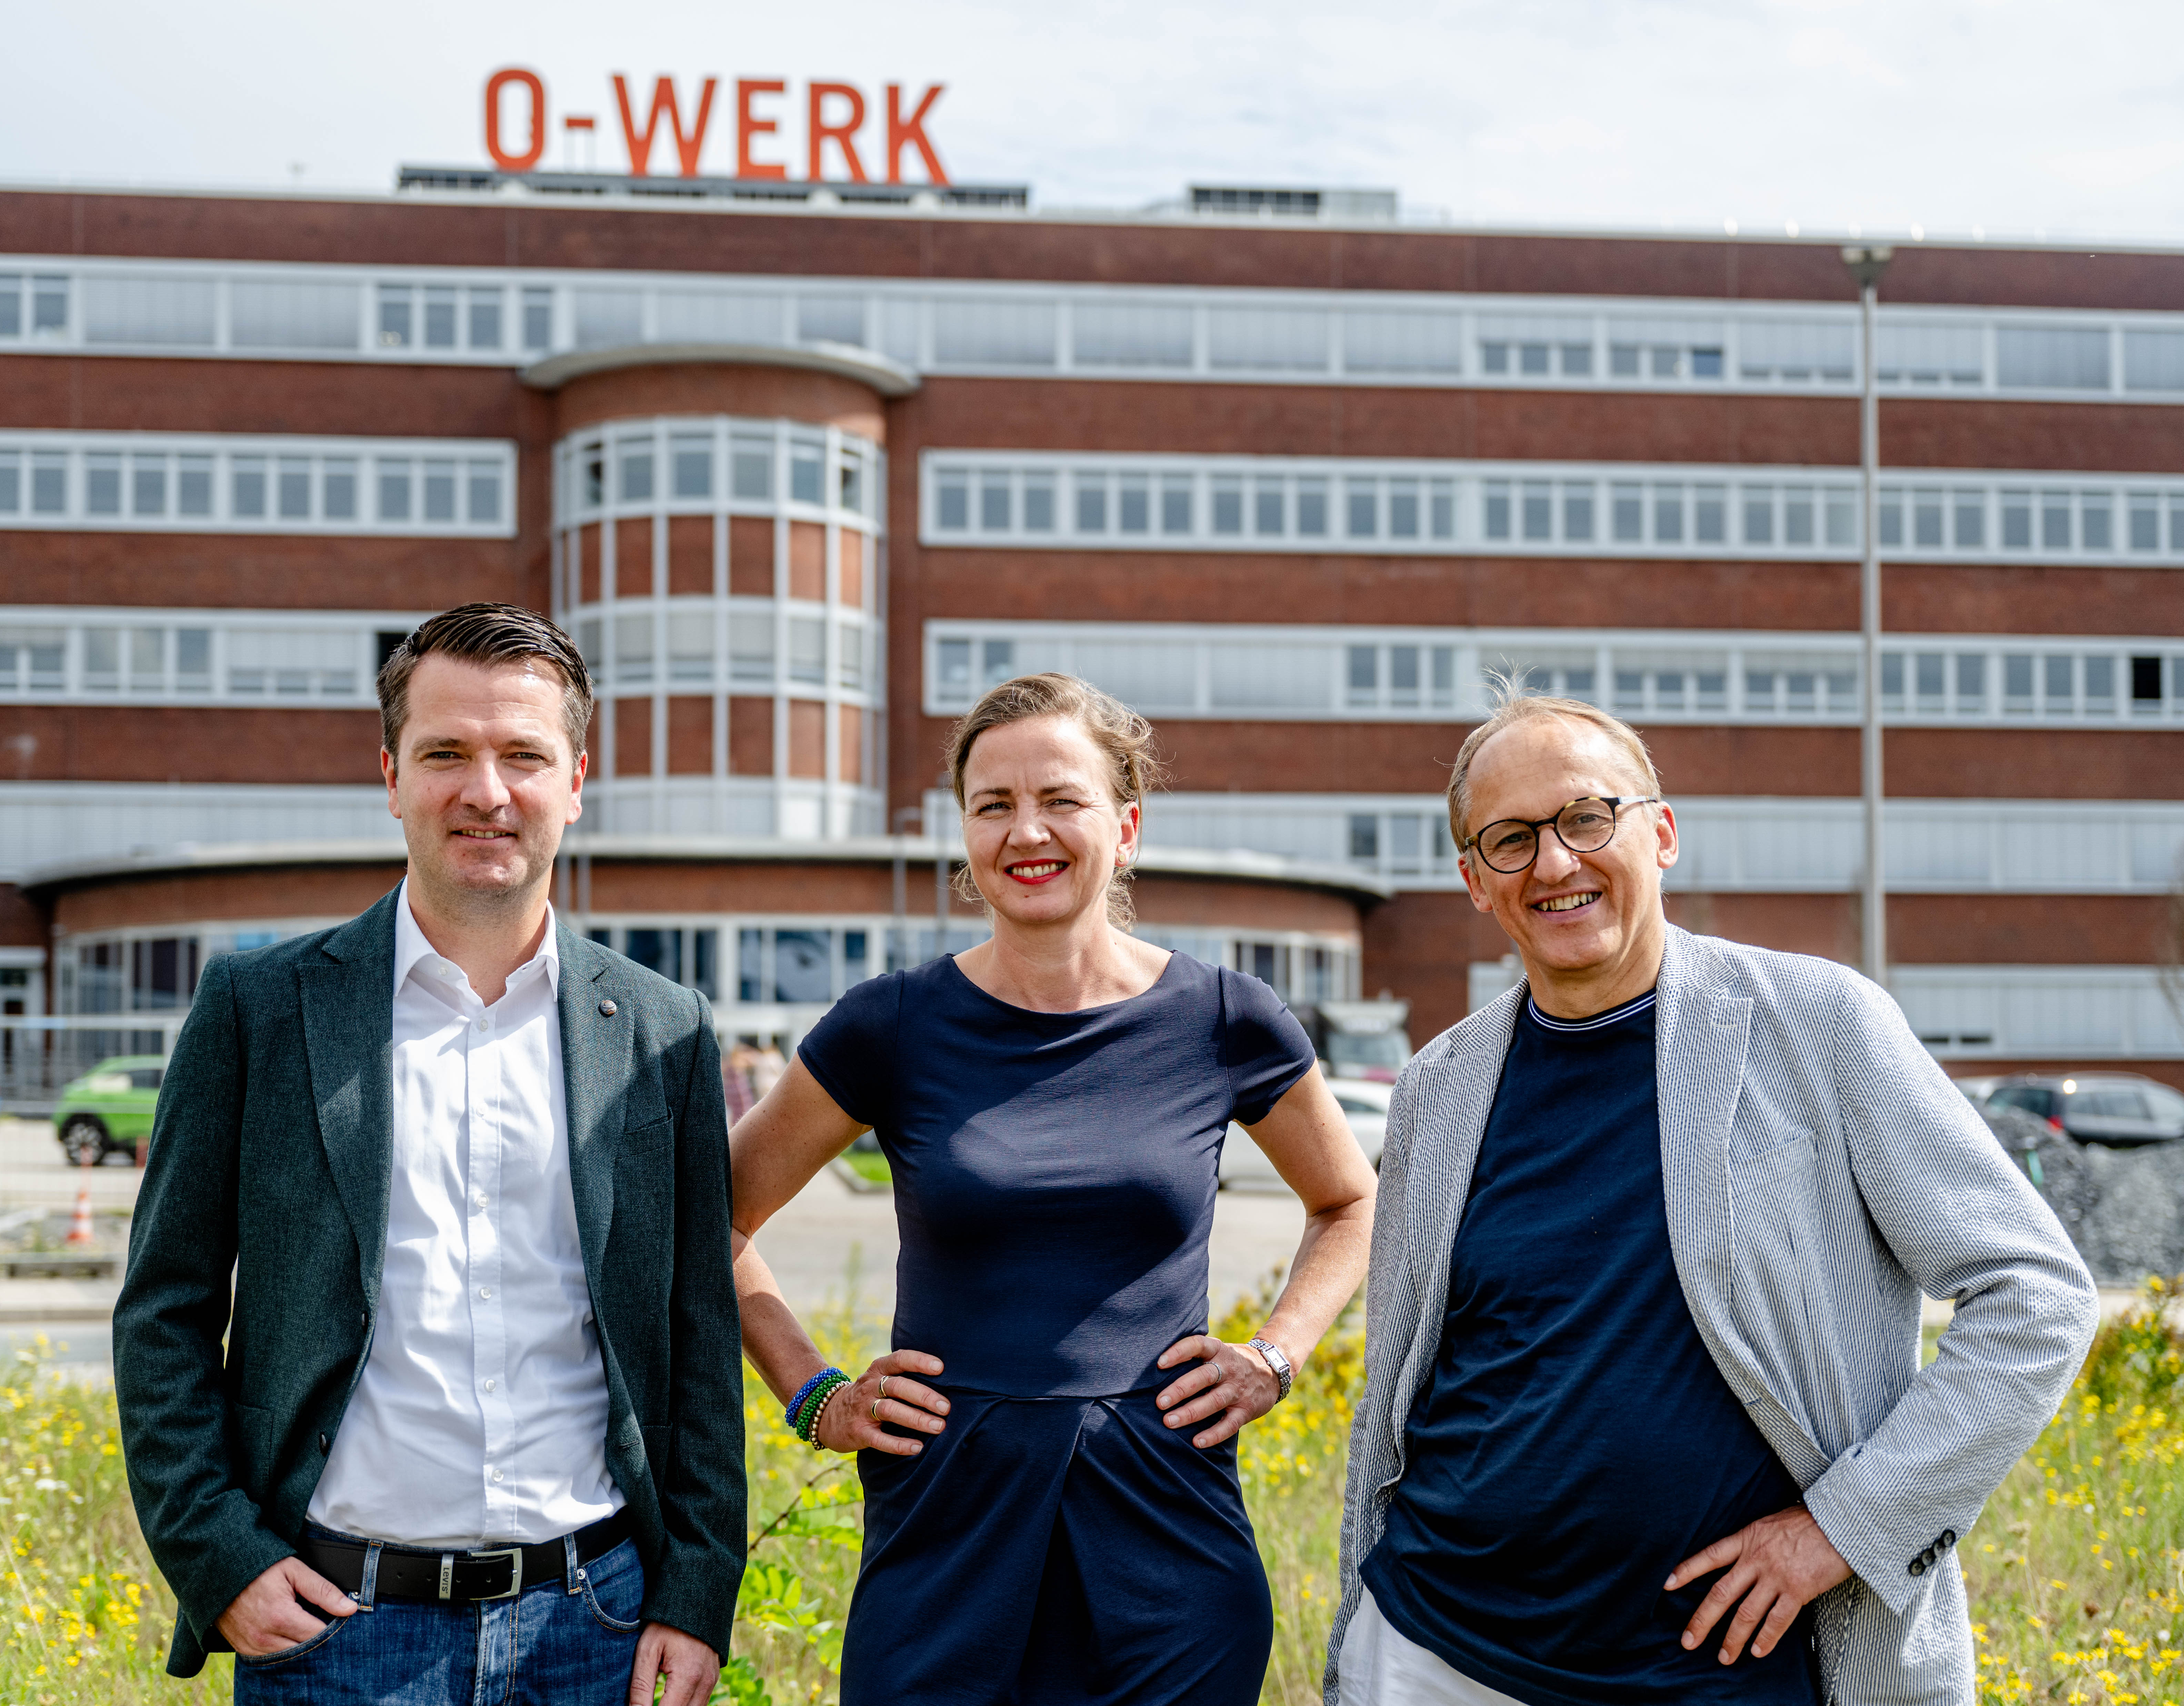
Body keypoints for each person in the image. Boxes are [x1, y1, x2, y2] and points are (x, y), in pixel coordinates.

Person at [1322, 692, 2097, 1706]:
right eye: (1510, 840)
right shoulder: (1439, 1084)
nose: (1554, 864)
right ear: (1473, 881)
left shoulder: (1818, 1026)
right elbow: (1400, 1385)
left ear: (1661, 833)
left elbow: (2034, 1294)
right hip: (1437, 1648)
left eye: (1586, 819)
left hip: (1729, 1675)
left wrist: (1845, 1530)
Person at [114, 603, 744, 1706]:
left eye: (523, 756)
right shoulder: (257, 1010)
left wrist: (696, 1594)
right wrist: (219, 1557)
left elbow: (697, 1333)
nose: (485, 792)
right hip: (334, 1635)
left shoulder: (663, 1030)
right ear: (392, 776)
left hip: (596, 1629)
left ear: (577, 779)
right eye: (446, 752)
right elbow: (163, 1308)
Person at [731, 672, 1378, 1705]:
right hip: (948, 1519)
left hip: (1166, 1528)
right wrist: (815, 1398)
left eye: (1060, 800)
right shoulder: (888, 1025)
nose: (1026, 831)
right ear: (965, 832)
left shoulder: (1224, 1017)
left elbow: (1351, 1204)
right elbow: (717, 1220)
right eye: (994, 805)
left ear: (1123, 826)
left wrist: (1274, 1355)